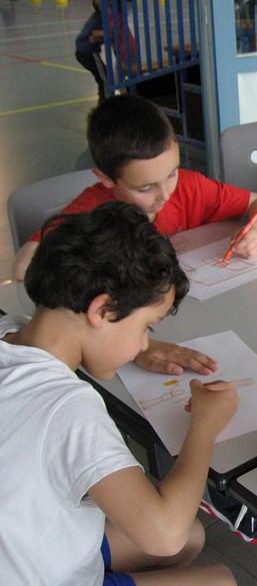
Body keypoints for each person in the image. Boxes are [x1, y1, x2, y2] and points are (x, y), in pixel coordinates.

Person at [0, 202, 237, 585]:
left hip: (24, 544)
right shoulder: (70, 409)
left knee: (193, 536)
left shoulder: (11, 331)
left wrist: (132, 347)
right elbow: (164, 534)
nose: (143, 343)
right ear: (103, 311)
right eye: (147, 328)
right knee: (217, 576)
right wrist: (205, 425)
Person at [12, 94, 257, 280]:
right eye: (145, 188)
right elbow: (23, 267)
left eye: (171, 174)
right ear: (106, 179)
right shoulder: (92, 210)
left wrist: (256, 232)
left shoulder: (190, 187)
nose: (165, 194)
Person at [75, 0, 107, 101]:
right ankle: (104, 102)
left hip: (85, 51)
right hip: (88, 52)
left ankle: (103, 98)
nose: (100, 2)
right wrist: (104, 34)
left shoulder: (101, 15)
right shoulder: (98, 17)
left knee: (102, 76)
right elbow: (93, 36)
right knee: (104, 78)